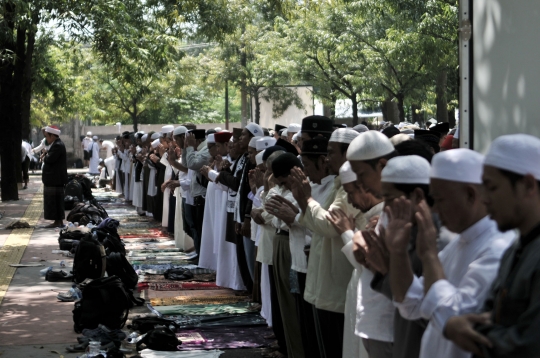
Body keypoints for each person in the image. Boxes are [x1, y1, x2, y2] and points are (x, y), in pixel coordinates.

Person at [386, 149, 514, 358]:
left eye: (439, 200)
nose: (434, 209)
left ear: (470, 195)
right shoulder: (459, 243)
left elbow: (455, 319)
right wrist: (397, 252)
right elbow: (411, 304)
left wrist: (428, 255)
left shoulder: (497, 248)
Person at [444, 134, 540, 358]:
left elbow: (528, 344)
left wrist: (463, 329)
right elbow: (490, 312)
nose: (484, 199)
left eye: (492, 187)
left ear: (527, 185)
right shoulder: (515, 250)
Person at [41, 126, 68, 228]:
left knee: (55, 200)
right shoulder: (56, 145)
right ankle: (58, 221)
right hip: (55, 179)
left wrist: (45, 155)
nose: (46, 139)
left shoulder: (57, 145)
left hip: (55, 179)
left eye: (47, 136)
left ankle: (58, 221)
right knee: (56, 200)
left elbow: (49, 159)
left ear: (52, 136)